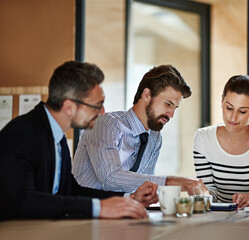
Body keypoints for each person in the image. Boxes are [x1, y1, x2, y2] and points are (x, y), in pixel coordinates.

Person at [0, 61, 158, 220]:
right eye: (96, 106)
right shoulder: (21, 134)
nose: (102, 112)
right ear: (69, 107)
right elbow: (20, 201)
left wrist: (127, 199)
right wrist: (97, 208)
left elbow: (70, 190)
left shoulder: (57, 137)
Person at [72, 64, 206, 195]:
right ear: (147, 95)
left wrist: (143, 197)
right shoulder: (105, 124)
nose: (171, 114)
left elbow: (144, 187)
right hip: (83, 213)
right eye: (168, 104)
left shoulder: (155, 138)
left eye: (175, 108)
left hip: (121, 212)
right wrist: (175, 182)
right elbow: (110, 178)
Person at [193, 75, 249, 208]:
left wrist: (247, 199)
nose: (233, 117)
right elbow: (210, 189)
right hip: (219, 217)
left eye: (242, 111)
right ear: (222, 101)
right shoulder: (203, 138)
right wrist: (202, 195)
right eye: (229, 108)